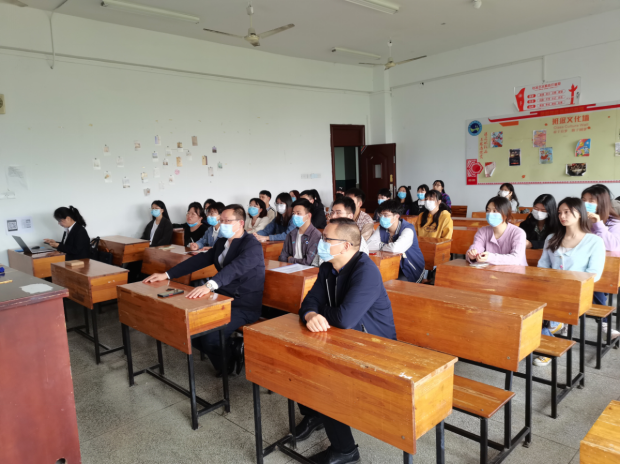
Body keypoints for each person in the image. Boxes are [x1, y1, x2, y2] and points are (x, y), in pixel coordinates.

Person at [294, 218, 397, 465]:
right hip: (343, 339)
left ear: (346, 246)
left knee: (327, 379)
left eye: (327, 239)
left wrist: (319, 312)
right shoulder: (327, 267)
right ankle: (315, 413)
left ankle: (346, 450)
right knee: (299, 361)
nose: (321, 242)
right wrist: (310, 314)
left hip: (375, 347)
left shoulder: (366, 271)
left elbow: (345, 318)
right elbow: (308, 303)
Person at [144, 205, 265, 376]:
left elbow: (235, 268)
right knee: (190, 328)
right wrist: (167, 274)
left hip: (243, 304)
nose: (222, 224)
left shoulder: (252, 245)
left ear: (240, 223)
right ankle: (230, 351)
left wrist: (209, 285)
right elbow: (201, 260)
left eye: (227, 221)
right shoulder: (222, 241)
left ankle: (227, 363)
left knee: (211, 337)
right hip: (221, 299)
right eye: (221, 220)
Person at [535, 198, 608, 366]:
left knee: (539, 313)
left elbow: (594, 274)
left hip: (577, 293)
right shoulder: (552, 238)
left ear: (580, 213)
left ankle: (551, 333)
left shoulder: (594, 241)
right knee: (526, 307)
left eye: (567, 212)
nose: (562, 216)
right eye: (560, 212)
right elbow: (543, 266)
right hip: (551, 290)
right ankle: (550, 336)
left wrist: (564, 284)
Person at [582, 185, 620, 338]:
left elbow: (612, 245)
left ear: (602, 202)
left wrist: (598, 223)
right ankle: (565, 321)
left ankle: (604, 324)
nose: (586, 203)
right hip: (583, 265)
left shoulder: (614, 223)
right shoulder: (582, 220)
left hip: (606, 269)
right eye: (583, 200)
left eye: (591, 200)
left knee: (594, 282)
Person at [368, 200, 426, 283]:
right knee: (374, 279)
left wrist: (380, 245)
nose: (382, 218)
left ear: (397, 216)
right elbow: (369, 245)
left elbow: (395, 249)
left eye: (386, 215)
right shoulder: (381, 228)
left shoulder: (408, 229)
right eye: (380, 215)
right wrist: (386, 246)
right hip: (391, 265)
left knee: (393, 284)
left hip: (410, 268)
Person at [466, 196, 528, 266]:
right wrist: (472, 254)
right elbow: (476, 246)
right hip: (491, 271)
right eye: (488, 210)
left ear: (506, 213)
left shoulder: (518, 233)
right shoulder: (482, 231)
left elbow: (516, 258)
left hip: (515, 271)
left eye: (495, 211)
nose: (490, 214)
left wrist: (490, 257)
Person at [313, 197, 370, 266]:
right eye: (332, 212)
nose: (333, 216)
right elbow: (316, 263)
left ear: (350, 216)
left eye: (338, 213)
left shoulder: (357, 239)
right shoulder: (327, 234)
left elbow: (360, 265)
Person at [278, 199, 321, 266]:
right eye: (293, 213)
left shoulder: (316, 235)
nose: (295, 216)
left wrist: (291, 259)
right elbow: (282, 257)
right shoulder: (290, 234)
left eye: (298, 213)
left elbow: (308, 262)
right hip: (290, 269)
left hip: (307, 270)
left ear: (308, 216)